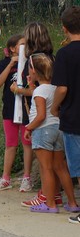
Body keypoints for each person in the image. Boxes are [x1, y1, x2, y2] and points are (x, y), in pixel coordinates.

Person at [22, 53, 79, 213]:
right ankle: (72, 203)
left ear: (34, 71)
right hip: (58, 129)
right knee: (61, 167)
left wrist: (29, 127)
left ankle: (50, 204)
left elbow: (40, 116)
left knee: (46, 168)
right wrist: (33, 87)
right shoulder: (54, 88)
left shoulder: (39, 91)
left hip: (43, 131)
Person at [0, 34, 33, 192]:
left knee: (27, 143)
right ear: (12, 48)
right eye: (21, 44)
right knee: (10, 144)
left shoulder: (30, 62)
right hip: (9, 109)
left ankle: (27, 177)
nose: (25, 47)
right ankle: (6, 178)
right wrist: (10, 64)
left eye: (26, 45)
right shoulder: (4, 63)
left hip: (26, 109)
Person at [51, 6, 80, 223]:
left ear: (64, 28)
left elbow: (62, 88)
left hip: (73, 117)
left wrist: (54, 107)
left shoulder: (64, 54)